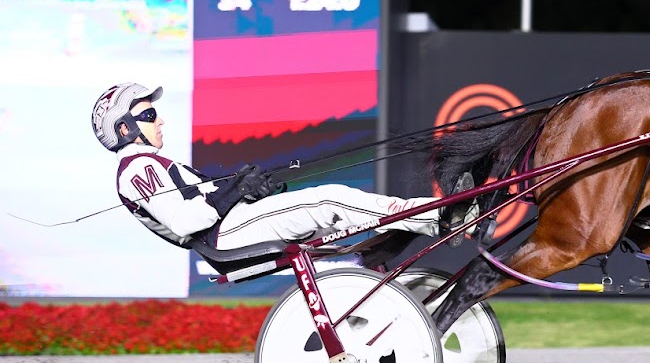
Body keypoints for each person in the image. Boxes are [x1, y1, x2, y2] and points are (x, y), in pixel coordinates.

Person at [92, 82, 475, 253]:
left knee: (334, 211)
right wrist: (236, 190)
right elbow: (182, 220)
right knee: (330, 201)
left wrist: (247, 187)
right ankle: (439, 218)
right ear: (124, 129)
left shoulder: (151, 162)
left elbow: (205, 200)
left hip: (232, 225)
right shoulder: (135, 169)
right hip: (225, 235)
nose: (159, 121)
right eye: (148, 114)